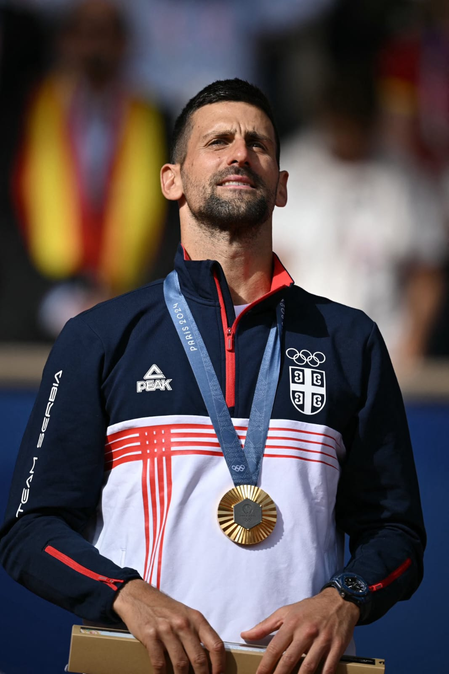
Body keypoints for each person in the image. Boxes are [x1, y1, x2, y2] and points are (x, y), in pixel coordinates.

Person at [0, 79, 425, 674]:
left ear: (281, 186)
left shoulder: (349, 340)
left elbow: (397, 534)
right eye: (218, 141)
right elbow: (30, 531)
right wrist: (124, 593)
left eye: (259, 144)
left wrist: (344, 598)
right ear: (171, 180)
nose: (240, 154)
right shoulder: (99, 335)